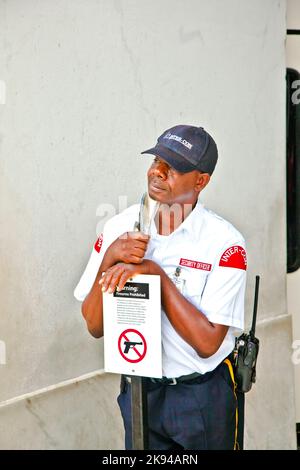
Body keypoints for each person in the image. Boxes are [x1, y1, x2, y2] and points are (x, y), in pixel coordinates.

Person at [74, 124, 247, 450]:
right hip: (140, 391)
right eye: (156, 160)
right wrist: (110, 256)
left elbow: (208, 343)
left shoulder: (225, 243)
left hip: (199, 397)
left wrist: (155, 274)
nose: (158, 171)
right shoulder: (119, 227)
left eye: (174, 167)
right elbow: (94, 325)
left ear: (200, 181)